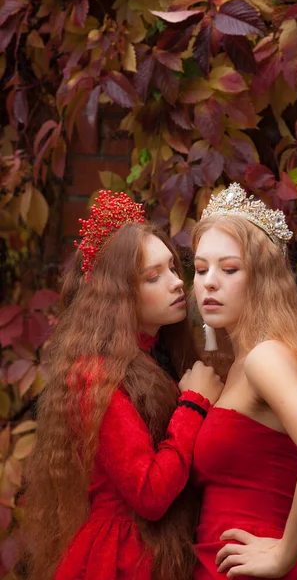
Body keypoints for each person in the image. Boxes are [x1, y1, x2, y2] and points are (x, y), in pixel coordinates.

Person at [21, 190, 223, 580]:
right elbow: (148, 491)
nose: (176, 283)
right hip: (123, 560)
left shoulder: (157, 357)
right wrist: (194, 404)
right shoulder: (95, 374)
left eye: (172, 268)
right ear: (119, 295)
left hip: (158, 551)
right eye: (153, 277)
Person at [191, 183, 297, 579]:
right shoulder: (242, 361)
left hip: (248, 566)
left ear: (261, 279)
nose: (209, 281)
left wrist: (283, 554)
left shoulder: (265, 358)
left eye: (229, 269)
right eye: (199, 269)